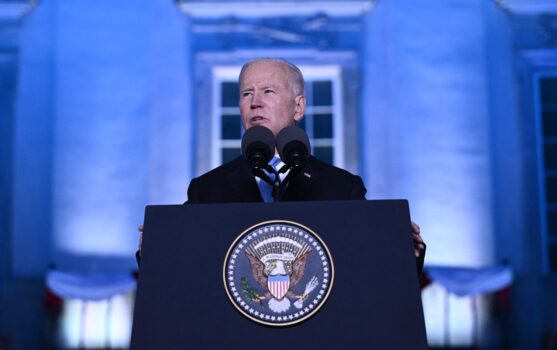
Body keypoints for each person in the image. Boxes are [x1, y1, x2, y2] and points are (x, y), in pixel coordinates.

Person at [138, 57, 425, 267]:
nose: (255, 102)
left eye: (268, 91)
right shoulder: (207, 190)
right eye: (246, 93)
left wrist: (402, 249)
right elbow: (182, 270)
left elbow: (371, 267)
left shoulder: (342, 188)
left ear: (298, 106)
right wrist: (155, 247)